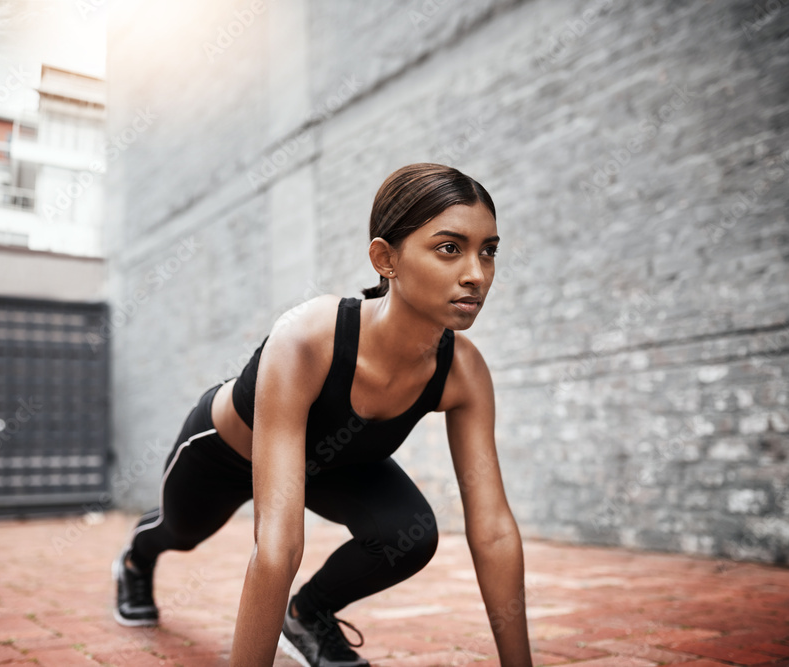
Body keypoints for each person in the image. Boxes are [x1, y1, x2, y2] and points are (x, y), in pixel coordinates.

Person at [112, 163, 533, 667]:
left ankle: (308, 614)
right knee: (179, 533)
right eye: (449, 248)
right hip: (225, 454)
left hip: (334, 465)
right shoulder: (309, 339)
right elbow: (278, 546)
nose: (476, 273)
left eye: (488, 250)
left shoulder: (463, 372)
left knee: (409, 535)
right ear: (386, 258)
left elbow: (492, 529)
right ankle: (136, 561)